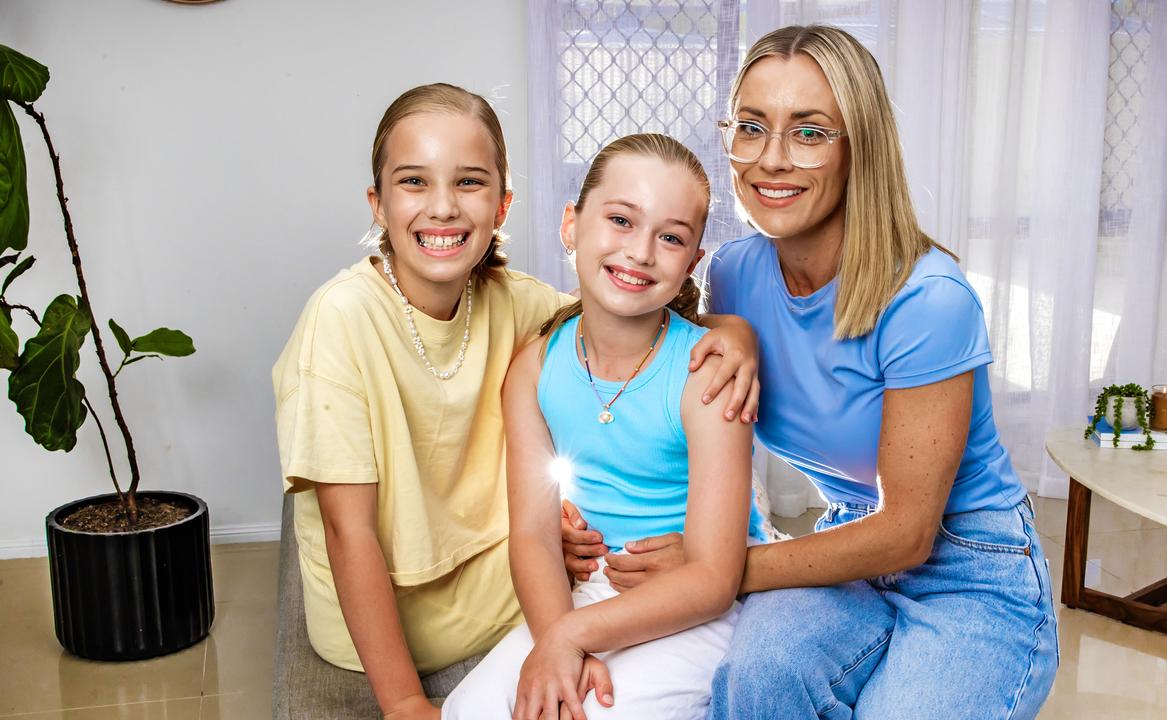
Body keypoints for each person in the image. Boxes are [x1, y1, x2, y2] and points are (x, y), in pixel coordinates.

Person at [561, 26, 1059, 719]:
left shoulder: (927, 300)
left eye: (809, 133)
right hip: (843, 539)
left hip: (969, 563)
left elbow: (909, 532)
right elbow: (632, 360)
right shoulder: (733, 275)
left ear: (861, 146)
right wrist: (580, 519)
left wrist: (718, 570)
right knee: (756, 683)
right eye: (752, 126)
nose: (771, 159)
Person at [272, 86, 759, 720]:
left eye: (469, 183)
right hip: (553, 598)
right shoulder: (360, 322)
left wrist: (739, 335)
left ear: (503, 206)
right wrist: (404, 704)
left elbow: (630, 307)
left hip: (599, 597)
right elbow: (351, 528)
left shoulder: (528, 309)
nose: (443, 207)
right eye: (415, 181)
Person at [443, 134, 765, 720]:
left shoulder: (707, 374)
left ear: (691, 263)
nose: (640, 252)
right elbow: (535, 537)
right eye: (621, 219)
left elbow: (715, 578)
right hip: (593, 592)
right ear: (572, 224)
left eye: (670, 237)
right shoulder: (535, 368)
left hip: (699, 603)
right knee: (470, 710)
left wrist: (573, 638)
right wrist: (558, 637)